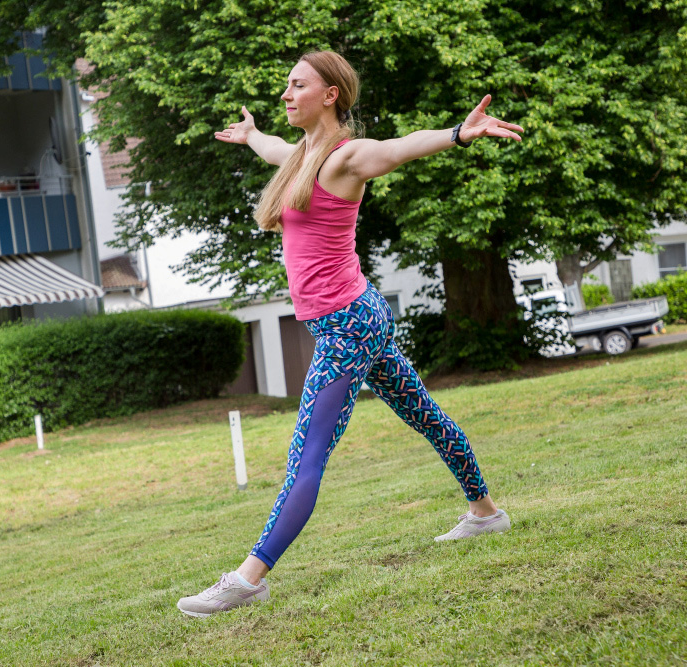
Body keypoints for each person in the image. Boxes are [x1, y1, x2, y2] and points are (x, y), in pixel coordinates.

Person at [177, 50, 524, 618]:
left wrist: (459, 133)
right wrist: (253, 135)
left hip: (347, 325)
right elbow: (275, 151)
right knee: (424, 415)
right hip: (358, 315)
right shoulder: (303, 156)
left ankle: (249, 578)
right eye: (285, 86)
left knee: (307, 456)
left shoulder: (345, 156)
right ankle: (486, 512)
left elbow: (396, 148)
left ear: (330, 94)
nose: (286, 94)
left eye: (297, 85)